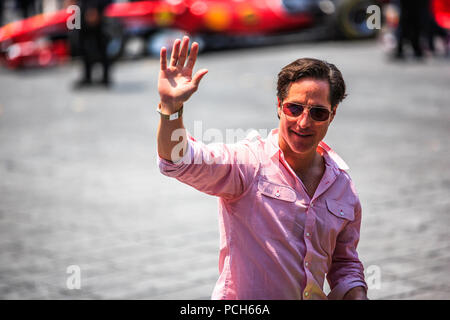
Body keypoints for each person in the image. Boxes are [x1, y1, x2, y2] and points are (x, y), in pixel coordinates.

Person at [157, 36, 368, 300]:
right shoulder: (248, 164)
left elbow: (344, 263)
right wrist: (171, 108)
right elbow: (178, 160)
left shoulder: (342, 186)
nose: (303, 123)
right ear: (279, 107)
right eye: (294, 108)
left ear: (333, 114)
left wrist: (357, 293)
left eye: (318, 113)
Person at [75, 0, 112, 87]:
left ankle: (105, 77)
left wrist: (93, 8)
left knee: (101, 44)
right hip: (84, 10)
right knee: (83, 44)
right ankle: (87, 76)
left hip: (97, 10)